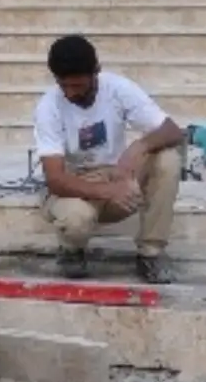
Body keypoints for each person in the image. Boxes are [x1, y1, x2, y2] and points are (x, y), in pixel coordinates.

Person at [33, 34, 184, 283]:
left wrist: (139, 147)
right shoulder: (49, 107)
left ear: (97, 72)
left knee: (168, 159)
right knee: (75, 220)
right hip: (73, 188)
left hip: (116, 175)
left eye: (78, 86)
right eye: (65, 86)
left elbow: (173, 131)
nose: (71, 94)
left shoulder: (117, 88)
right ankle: (71, 252)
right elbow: (55, 180)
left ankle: (151, 253)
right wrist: (108, 191)